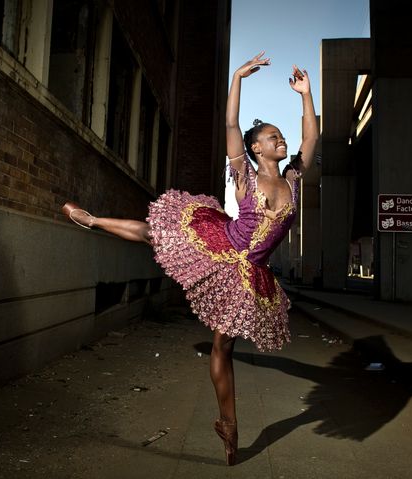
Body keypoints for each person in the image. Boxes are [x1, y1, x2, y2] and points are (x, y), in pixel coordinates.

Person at [60, 51, 318, 465]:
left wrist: (306, 95)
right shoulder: (243, 174)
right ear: (256, 148)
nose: (281, 140)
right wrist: (236, 76)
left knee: (223, 348)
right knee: (155, 233)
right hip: (222, 245)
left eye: (280, 136)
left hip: (250, 275)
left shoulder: (293, 178)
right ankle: (93, 220)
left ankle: (226, 424)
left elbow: (310, 138)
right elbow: (232, 123)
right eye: (272, 137)